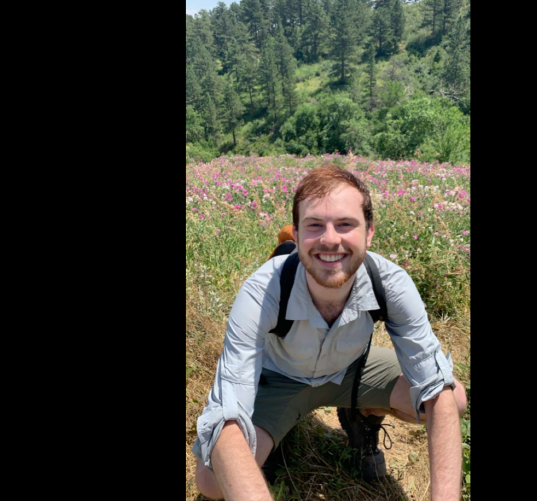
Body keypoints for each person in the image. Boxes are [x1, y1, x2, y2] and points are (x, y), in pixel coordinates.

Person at [192, 164, 467, 500]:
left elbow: (435, 386)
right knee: (212, 483)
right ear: (295, 233)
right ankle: (276, 429)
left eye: (346, 224)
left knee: (453, 399)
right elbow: (225, 415)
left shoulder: (391, 284)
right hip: (280, 379)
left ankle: (363, 416)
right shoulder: (262, 291)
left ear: (369, 233)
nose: (330, 239)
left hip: (351, 370)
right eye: (314, 225)